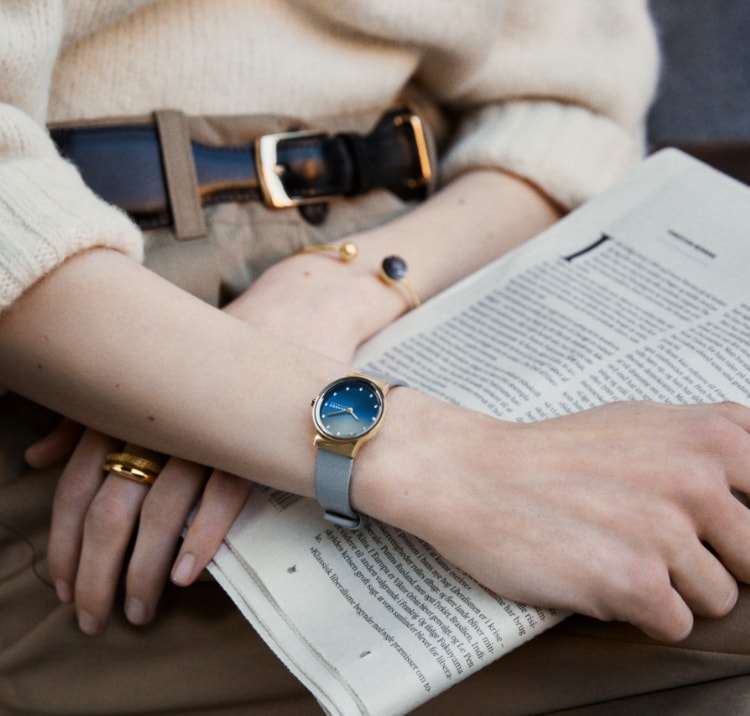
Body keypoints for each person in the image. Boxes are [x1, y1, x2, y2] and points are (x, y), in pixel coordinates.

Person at [2, 1, 750, 714]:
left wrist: (338, 284)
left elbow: (567, 113)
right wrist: (444, 460)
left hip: (435, 254)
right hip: (80, 308)